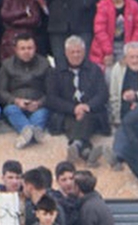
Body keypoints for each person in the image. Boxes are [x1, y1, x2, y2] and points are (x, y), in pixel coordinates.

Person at [45, 35, 110, 165]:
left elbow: (102, 94)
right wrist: (73, 108)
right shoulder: (55, 72)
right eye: (72, 52)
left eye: (79, 52)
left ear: (84, 52)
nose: (76, 55)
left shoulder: (94, 70)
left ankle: (77, 144)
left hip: (91, 112)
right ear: (66, 53)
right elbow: (51, 98)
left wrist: (87, 106)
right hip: (67, 112)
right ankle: (85, 151)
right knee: (72, 119)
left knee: (85, 117)